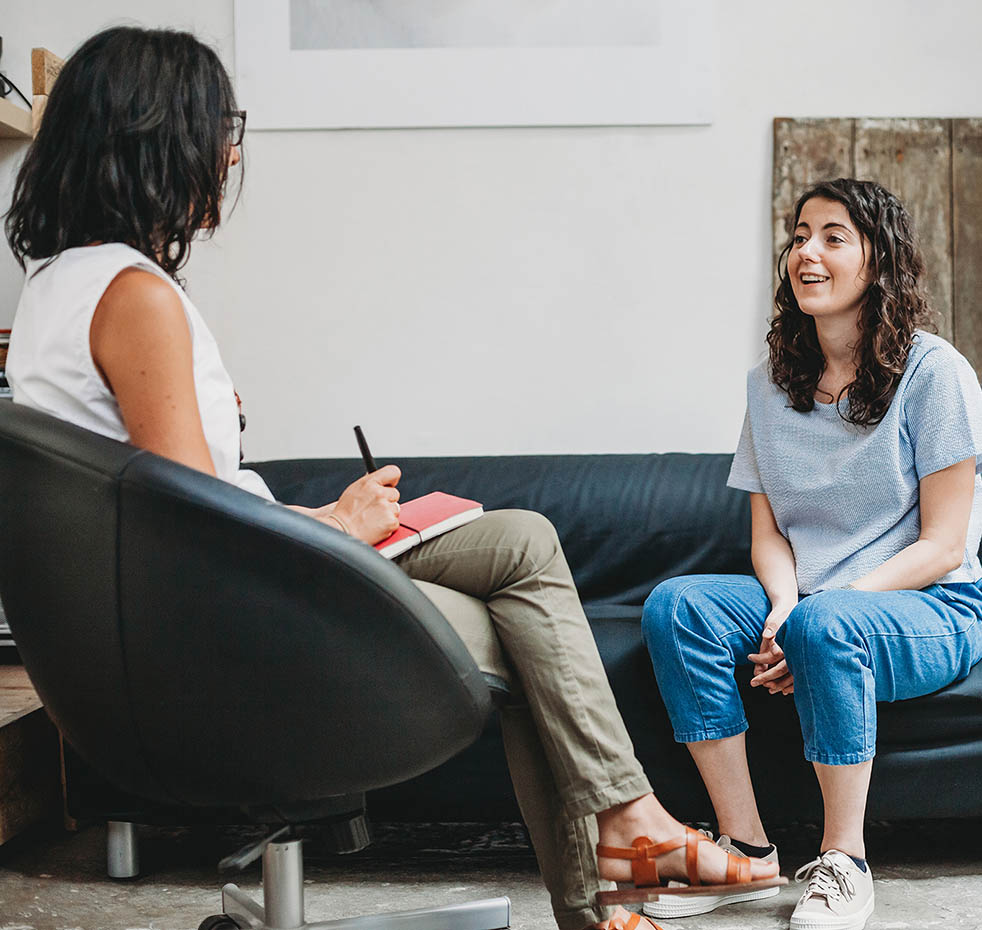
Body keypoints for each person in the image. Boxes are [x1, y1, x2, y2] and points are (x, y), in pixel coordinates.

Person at [3, 26, 778, 930]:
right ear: (157, 137)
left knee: (525, 542)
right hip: (221, 639)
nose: (230, 153)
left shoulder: (59, 287)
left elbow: (175, 506)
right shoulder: (134, 297)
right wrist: (337, 533)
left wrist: (323, 513)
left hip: (179, 632)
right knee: (527, 624)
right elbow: (188, 535)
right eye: (221, 128)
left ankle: (618, 873)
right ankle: (620, 857)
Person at [641, 177, 982, 930]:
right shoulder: (771, 385)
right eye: (800, 235)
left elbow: (943, 543)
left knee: (827, 626)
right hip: (814, 600)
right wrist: (788, 608)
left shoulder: (936, 374)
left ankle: (845, 862)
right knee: (678, 605)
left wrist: (823, 613)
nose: (808, 253)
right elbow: (769, 532)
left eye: (834, 236)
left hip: (931, 604)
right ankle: (747, 852)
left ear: (878, 261)